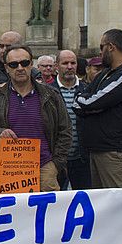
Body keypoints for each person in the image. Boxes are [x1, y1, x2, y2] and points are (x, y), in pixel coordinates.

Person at [0, 44, 71, 192]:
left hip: (45, 167)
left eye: (25, 63)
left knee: (48, 214)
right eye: (14, 64)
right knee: (13, 213)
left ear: (31, 65)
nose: (20, 68)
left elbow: (65, 130)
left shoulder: (51, 95)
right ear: (7, 68)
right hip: (10, 170)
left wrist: (55, 164)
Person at [73, 29, 122, 188]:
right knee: (100, 207)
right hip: (97, 150)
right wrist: (89, 104)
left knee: (118, 207)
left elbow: (90, 102)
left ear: (111, 47)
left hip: (116, 154)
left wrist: (90, 105)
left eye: (101, 47)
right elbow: (80, 99)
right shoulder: (105, 74)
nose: (100, 52)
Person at [52, 50, 91, 190]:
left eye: (73, 63)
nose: (69, 66)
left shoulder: (88, 90)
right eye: (65, 63)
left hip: (81, 158)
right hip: (56, 159)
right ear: (56, 66)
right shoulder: (47, 91)